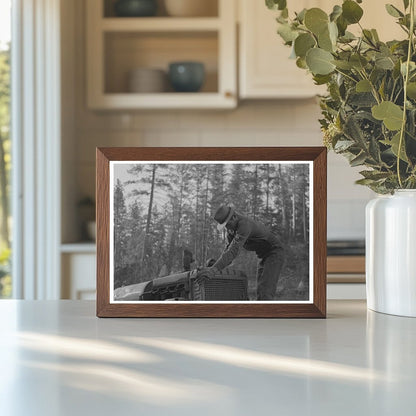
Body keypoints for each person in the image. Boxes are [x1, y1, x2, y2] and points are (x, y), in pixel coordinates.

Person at [203, 205, 285, 300]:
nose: (227, 228)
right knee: (261, 292)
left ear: (234, 217)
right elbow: (227, 251)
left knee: (265, 292)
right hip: (263, 256)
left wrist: (213, 270)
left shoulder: (245, 225)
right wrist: (213, 266)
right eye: (225, 226)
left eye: (227, 224)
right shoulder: (231, 231)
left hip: (274, 252)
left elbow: (233, 251)